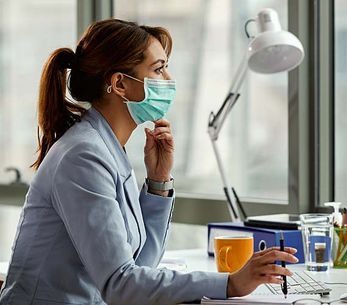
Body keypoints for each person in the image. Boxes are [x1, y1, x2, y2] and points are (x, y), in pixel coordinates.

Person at [0, 19, 297, 305]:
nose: (169, 80)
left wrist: (158, 182)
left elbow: (141, 266)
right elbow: (121, 284)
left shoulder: (107, 150)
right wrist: (230, 283)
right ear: (120, 84)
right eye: (159, 69)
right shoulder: (83, 157)